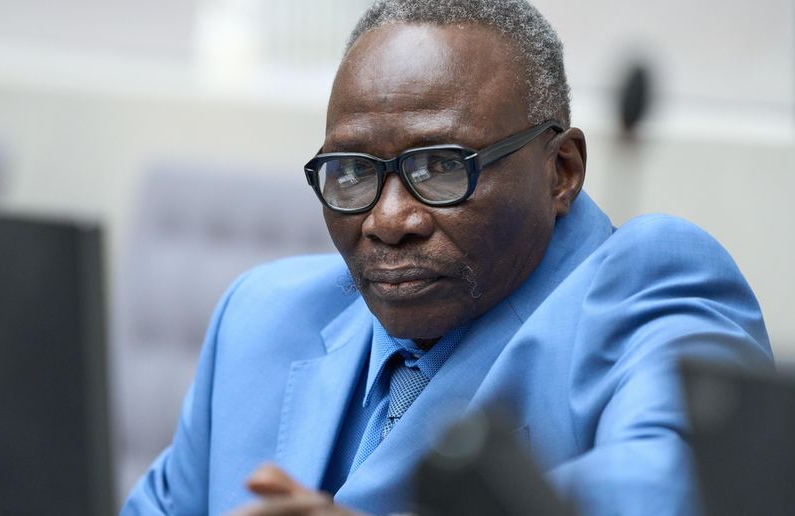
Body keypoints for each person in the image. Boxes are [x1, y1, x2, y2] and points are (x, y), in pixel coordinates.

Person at [123, 1, 773, 514]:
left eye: (440, 168)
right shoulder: (258, 316)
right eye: (353, 172)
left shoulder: (646, 284)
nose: (387, 221)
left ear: (561, 170)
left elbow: (686, 488)